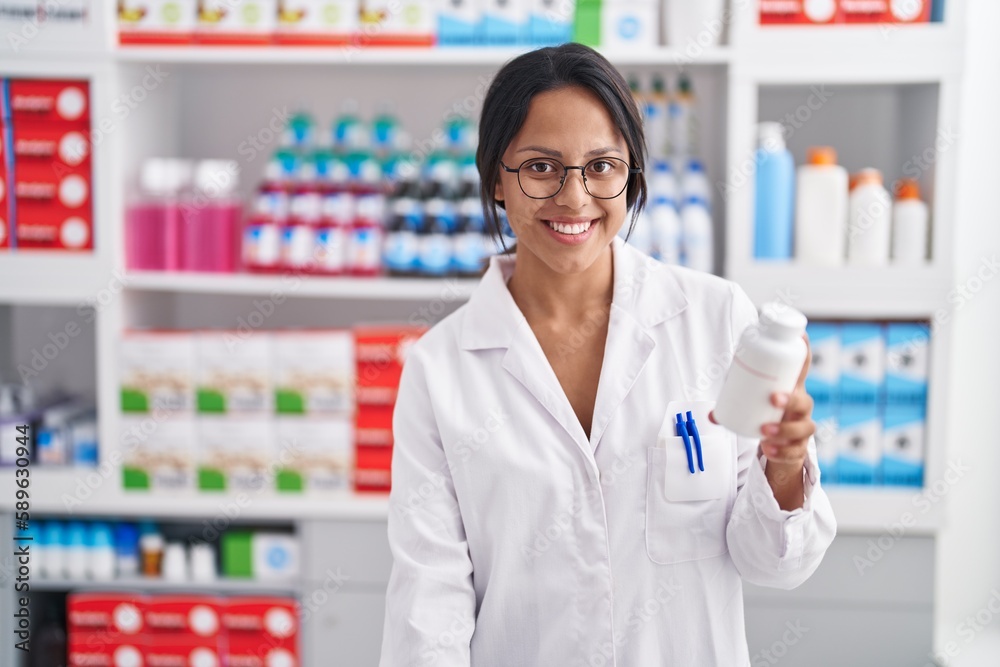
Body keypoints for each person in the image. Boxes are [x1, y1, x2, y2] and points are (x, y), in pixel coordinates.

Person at [380, 43, 836, 666]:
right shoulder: (441, 369)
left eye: (602, 166)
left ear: (632, 175)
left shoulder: (716, 319)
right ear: (495, 179)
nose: (575, 197)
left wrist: (783, 466)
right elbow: (428, 609)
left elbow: (772, 564)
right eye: (541, 167)